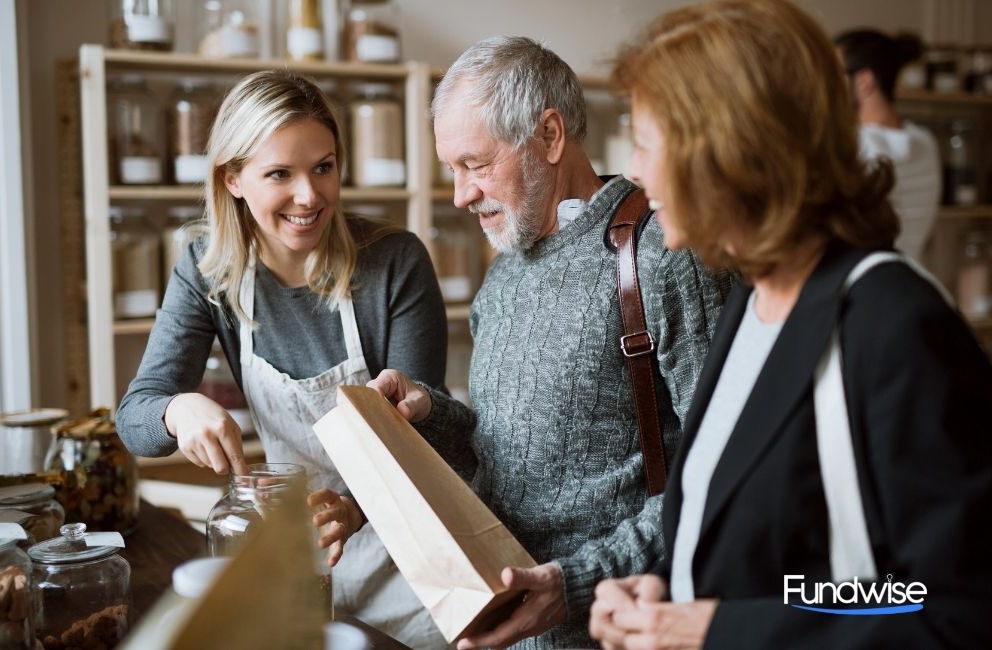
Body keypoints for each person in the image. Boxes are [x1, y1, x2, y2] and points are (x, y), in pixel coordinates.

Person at [590, 1, 992, 648]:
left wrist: (720, 628)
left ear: (728, 150)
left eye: (643, 140)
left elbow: (948, 608)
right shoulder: (750, 303)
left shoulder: (893, 325)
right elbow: (759, 543)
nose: (633, 169)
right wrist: (668, 587)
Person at [313, 36, 733, 649]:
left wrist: (574, 583)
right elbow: (498, 453)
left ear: (551, 135)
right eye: (451, 170)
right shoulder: (507, 266)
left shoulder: (665, 254)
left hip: (613, 629)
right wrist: (429, 411)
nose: (460, 195)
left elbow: (723, 477)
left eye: (476, 165)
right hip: (503, 628)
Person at [115, 70, 451, 648]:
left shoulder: (395, 262)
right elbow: (135, 419)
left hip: (409, 560)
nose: (309, 196)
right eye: (280, 174)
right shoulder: (206, 272)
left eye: (324, 166)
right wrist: (178, 411)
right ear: (234, 180)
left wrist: (350, 508)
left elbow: (424, 437)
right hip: (294, 564)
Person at [835, 29, 942, 263]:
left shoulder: (856, 145)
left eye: (834, 74)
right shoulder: (925, 141)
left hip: (867, 284)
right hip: (912, 274)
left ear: (864, 81)